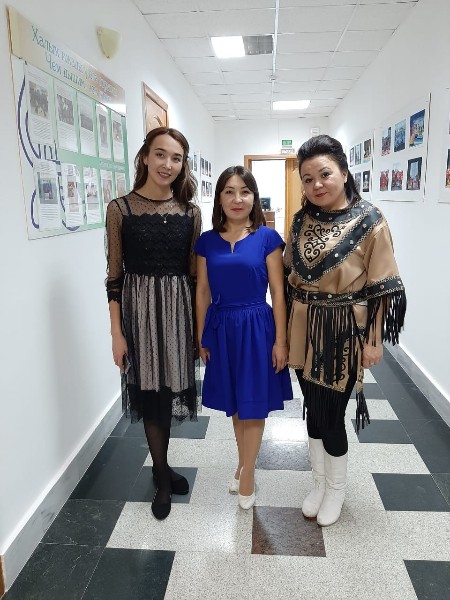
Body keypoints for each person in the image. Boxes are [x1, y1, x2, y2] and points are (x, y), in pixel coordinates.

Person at [284, 135, 406, 527]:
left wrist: (373, 341)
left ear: (344, 172)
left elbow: (382, 285)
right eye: (307, 179)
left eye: (324, 174)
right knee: (312, 409)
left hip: (342, 327)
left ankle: (336, 489)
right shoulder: (301, 219)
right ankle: (319, 483)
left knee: (332, 414)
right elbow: (289, 273)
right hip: (302, 324)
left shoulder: (371, 221)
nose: (316, 184)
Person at [105, 126, 201, 520]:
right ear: (145, 156)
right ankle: (161, 477)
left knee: (168, 392)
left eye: (176, 158)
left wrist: (198, 329)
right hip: (139, 315)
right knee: (150, 396)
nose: (167, 164)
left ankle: (163, 467)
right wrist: (116, 333)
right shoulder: (120, 209)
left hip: (178, 313)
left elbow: (195, 277)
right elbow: (114, 277)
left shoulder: (190, 213)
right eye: (160, 154)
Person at [195, 166, 293, 510]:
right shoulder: (207, 241)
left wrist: (281, 341)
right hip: (222, 327)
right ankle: (242, 462)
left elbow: (278, 292)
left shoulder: (267, 238)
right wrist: (201, 336)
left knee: (253, 403)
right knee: (236, 402)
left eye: (245, 192)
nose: (237, 199)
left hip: (256, 326)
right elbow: (202, 291)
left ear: (254, 197)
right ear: (219, 198)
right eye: (229, 192)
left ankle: (248, 473)